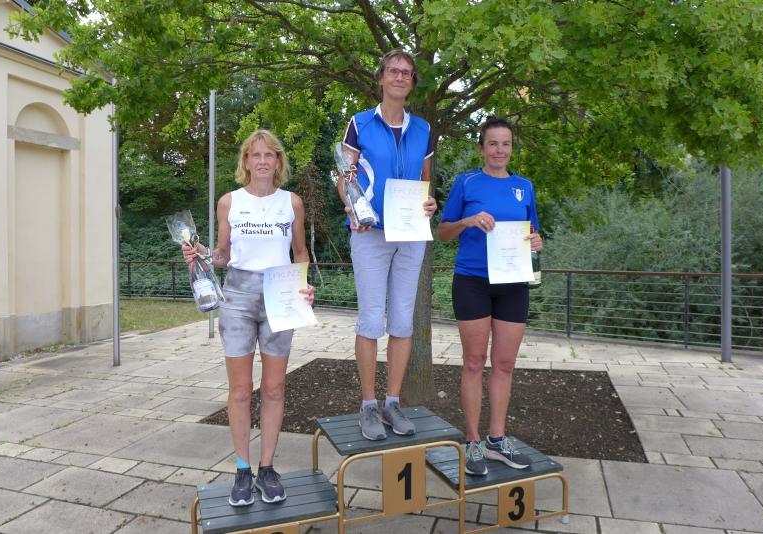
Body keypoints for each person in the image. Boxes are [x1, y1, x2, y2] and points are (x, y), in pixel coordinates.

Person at [182, 129, 314, 505]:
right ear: (246, 162)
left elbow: (300, 252)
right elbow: (224, 255)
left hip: (280, 295)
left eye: (269, 155)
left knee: (273, 388)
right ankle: (242, 469)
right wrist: (201, 253)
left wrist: (304, 285)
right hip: (238, 296)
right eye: (255, 155)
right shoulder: (229, 202)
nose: (262, 161)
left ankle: (267, 468)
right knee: (240, 390)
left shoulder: (292, 202)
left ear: (278, 161)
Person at [337, 49, 438, 440]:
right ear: (380, 78)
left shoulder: (423, 129)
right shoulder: (359, 123)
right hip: (371, 233)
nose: (399, 77)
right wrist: (351, 206)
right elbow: (344, 174)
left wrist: (430, 203)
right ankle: (367, 405)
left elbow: (425, 181)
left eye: (407, 73)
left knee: (401, 320)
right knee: (370, 319)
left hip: (410, 234)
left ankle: (392, 402)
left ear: (412, 83)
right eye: (393, 71)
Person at [436, 116, 543, 476]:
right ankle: (472, 441)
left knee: (505, 364)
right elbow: (443, 232)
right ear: (481, 148)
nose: (500, 150)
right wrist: (466, 221)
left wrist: (537, 241)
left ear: (512, 148)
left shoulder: (524, 186)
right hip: (473, 281)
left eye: (506, 144)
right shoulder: (466, 183)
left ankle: (497, 439)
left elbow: (532, 232)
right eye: (493, 144)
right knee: (473, 361)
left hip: (513, 284)